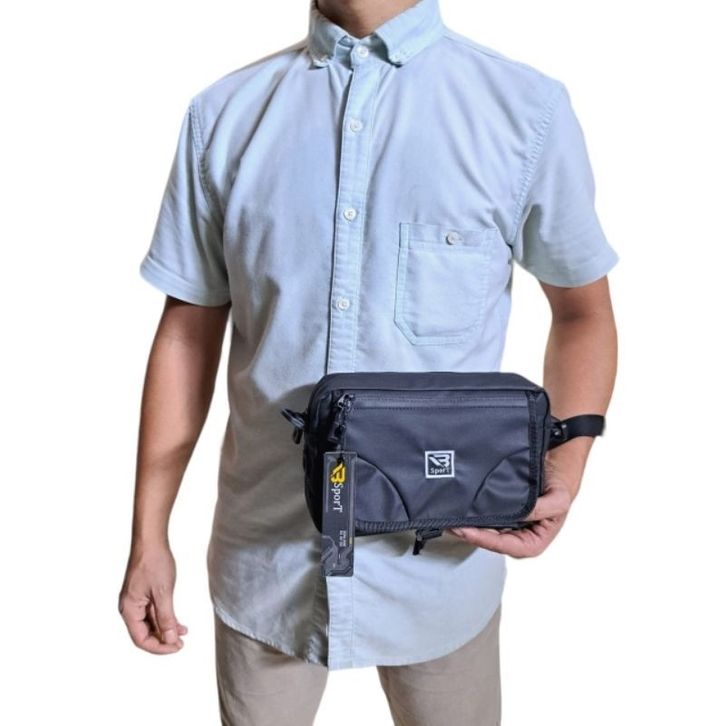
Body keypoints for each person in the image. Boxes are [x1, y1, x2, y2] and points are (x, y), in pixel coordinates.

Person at [118, 0, 619, 723]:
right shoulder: (224, 115)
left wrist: (562, 470)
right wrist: (148, 535)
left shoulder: (523, 110)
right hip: (267, 558)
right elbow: (188, 333)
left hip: (444, 565)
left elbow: (583, 313)